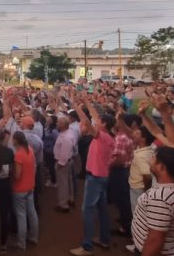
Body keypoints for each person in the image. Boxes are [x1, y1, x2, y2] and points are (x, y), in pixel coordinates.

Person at [131, 146, 174, 256]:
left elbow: (155, 240)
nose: (149, 160)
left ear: (162, 167)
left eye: (153, 158)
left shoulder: (161, 198)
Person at [70, 97, 115, 256]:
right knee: (102, 209)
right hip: (102, 177)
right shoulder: (106, 134)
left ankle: (87, 247)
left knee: (87, 210)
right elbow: (94, 116)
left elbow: (88, 123)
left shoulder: (103, 137)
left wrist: (76, 106)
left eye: (99, 121)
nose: (97, 122)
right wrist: (86, 101)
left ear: (104, 125)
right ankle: (104, 239)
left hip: (95, 178)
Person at [11, 131, 39, 251]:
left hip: (20, 188)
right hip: (30, 186)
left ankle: (21, 242)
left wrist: (10, 172)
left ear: (16, 141)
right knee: (31, 212)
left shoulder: (19, 155)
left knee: (21, 215)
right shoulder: (30, 150)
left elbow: (17, 176)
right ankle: (33, 236)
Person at [109, 113, 136, 237]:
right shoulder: (129, 135)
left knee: (122, 199)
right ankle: (125, 221)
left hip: (120, 171)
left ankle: (126, 228)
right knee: (124, 199)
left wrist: (107, 164)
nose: (115, 121)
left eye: (117, 120)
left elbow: (118, 160)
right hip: (127, 169)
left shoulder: (121, 137)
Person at [0, 129, 14, 253]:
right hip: (5, 185)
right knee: (5, 214)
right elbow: (11, 169)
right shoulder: (10, 152)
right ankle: (4, 244)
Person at [53, 115, 79, 212]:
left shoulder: (66, 137)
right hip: (68, 161)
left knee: (63, 184)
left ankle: (63, 205)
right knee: (68, 181)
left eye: (59, 123)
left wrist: (60, 164)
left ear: (63, 125)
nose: (57, 124)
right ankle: (70, 199)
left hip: (63, 163)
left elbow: (64, 153)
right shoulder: (67, 132)